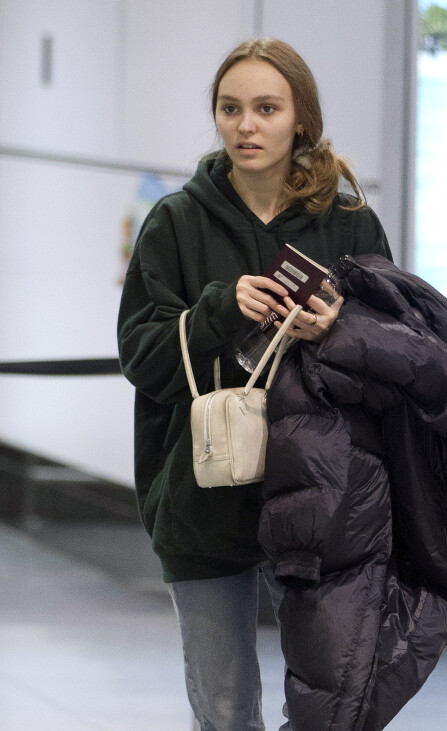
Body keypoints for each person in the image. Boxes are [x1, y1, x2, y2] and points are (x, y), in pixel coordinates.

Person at [117, 38, 391, 731]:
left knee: (332, 709)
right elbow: (141, 357)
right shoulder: (175, 223)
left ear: (300, 118)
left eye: (266, 108)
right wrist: (216, 310)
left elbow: (398, 356)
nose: (246, 126)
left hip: (319, 500)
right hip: (203, 500)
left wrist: (339, 328)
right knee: (226, 711)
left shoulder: (350, 221)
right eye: (230, 108)